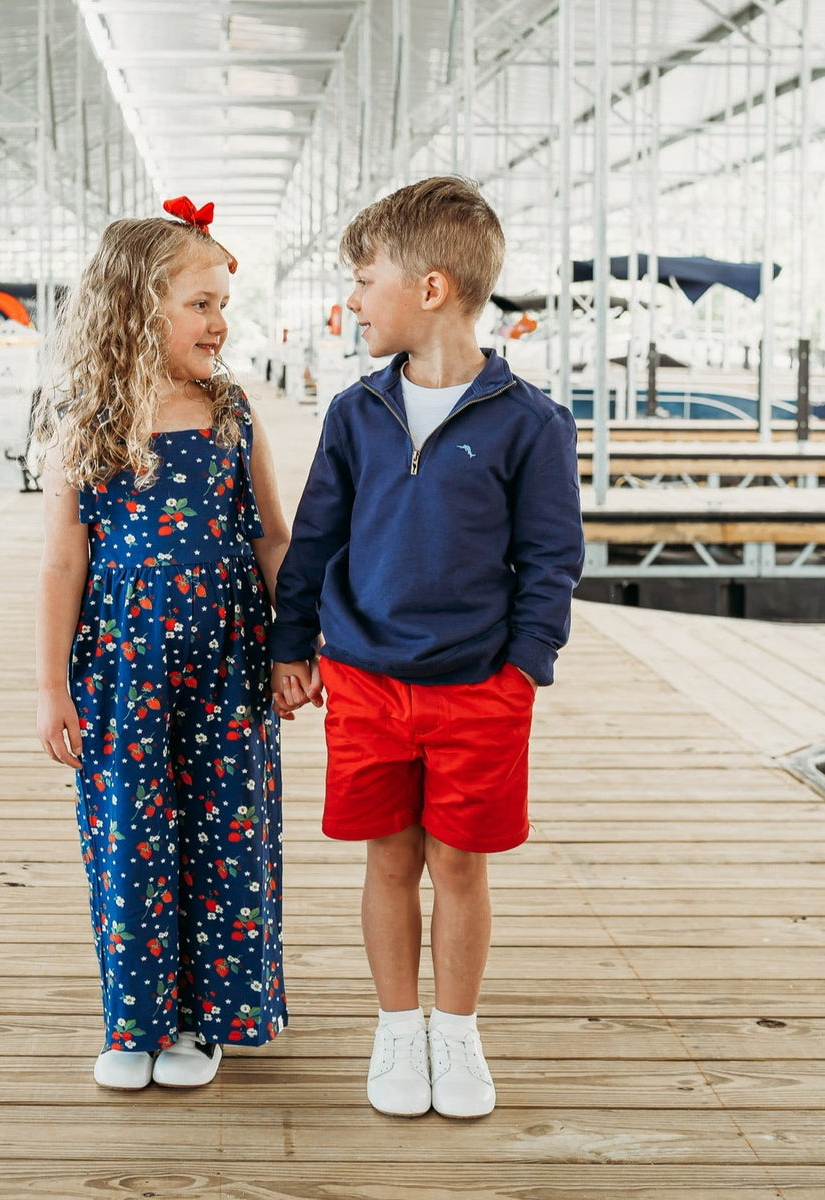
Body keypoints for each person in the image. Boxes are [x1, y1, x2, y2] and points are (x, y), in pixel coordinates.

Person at [270, 176, 584, 1119]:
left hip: (480, 690)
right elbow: (315, 540)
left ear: (433, 288)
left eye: (365, 280)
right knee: (390, 861)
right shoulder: (355, 413)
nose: (353, 300)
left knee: (459, 864)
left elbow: (552, 559)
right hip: (364, 681)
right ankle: (398, 1029)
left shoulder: (531, 423)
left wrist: (524, 670)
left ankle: (457, 1029)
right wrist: (293, 644)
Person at [35, 198, 291, 1092]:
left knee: (225, 835)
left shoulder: (230, 409)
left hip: (227, 662)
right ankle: (133, 1020)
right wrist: (51, 687)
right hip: (120, 668)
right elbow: (66, 561)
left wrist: (294, 645)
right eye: (202, 303)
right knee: (128, 836)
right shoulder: (87, 416)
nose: (221, 323)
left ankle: (202, 1020)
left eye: (223, 303)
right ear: (139, 306)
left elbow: (270, 537)